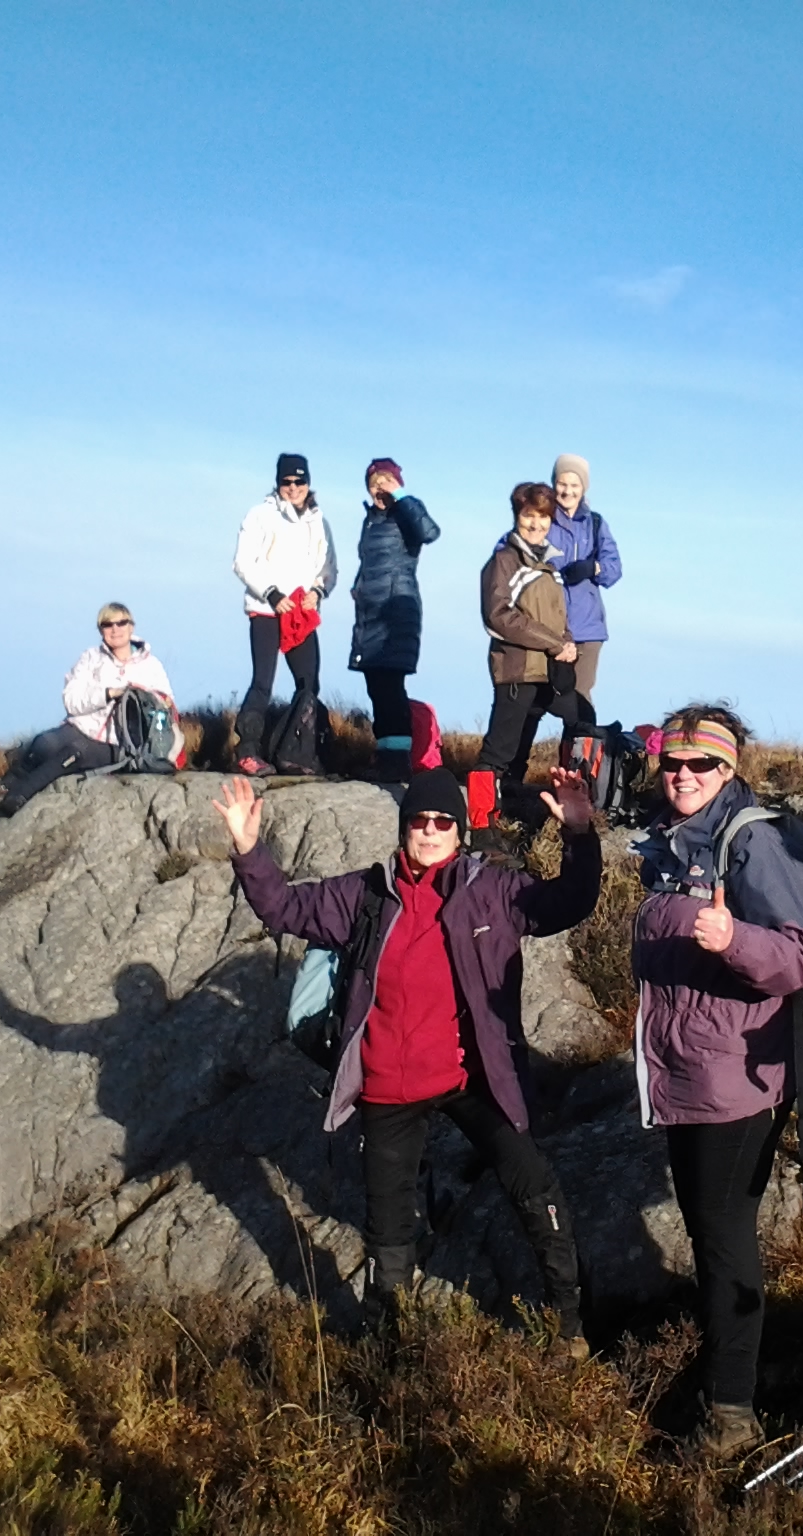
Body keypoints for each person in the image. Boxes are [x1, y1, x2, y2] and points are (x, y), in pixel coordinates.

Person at [215, 765, 603, 1355]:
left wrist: (579, 832)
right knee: (389, 1226)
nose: (429, 831)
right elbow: (285, 910)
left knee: (533, 1183)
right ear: (404, 828)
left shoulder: (492, 891)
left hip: (472, 1075)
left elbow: (569, 902)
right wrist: (248, 847)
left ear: (459, 832)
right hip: (389, 1086)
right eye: (419, 821)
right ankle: (389, 1346)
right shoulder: (365, 895)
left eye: (443, 822)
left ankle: (568, 1325)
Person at [630, 705, 803, 1458]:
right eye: (672, 762)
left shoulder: (753, 843)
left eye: (700, 765)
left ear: (729, 769)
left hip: (736, 1081)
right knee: (711, 1236)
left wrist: (735, 938)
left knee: (725, 1241)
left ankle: (731, 1416)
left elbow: (798, 958)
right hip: (686, 1073)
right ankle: (721, 1388)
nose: (682, 775)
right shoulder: (673, 845)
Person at [0, 603, 177, 818]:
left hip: (121, 744)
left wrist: (144, 697)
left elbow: (166, 703)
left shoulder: (151, 666)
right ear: (100, 630)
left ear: (131, 627)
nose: (115, 629)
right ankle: (11, 779)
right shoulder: (90, 659)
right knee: (44, 743)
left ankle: (15, 799)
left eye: (121, 623)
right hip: (81, 727)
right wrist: (107, 694)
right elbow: (71, 700)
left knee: (73, 753)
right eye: (107, 624)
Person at [475, 482, 593, 788]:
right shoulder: (504, 560)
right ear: (517, 515)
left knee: (582, 717)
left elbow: (556, 616)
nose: (536, 524)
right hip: (517, 671)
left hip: (548, 672)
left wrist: (567, 643)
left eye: (543, 517)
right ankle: (481, 818)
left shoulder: (549, 565)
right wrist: (555, 644)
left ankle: (573, 792)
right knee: (499, 751)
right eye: (530, 515)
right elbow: (497, 617)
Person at [232, 452, 338, 777]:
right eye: (286, 482)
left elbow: (329, 567)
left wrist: (318, 591)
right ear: (278, 483)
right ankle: (247, 751)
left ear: (308, 482)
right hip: (266, 610)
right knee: (263, 681)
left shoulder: (320, 521)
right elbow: (243, 561)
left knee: (308, 685)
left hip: (301, 614)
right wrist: (272, 593)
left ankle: (297, 752)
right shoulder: (260, 515)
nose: (293, 488)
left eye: (299, 481)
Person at [348, 457, 441, 782]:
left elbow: (430, 532)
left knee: (390, 687)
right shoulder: (371, 521)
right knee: (376, 687)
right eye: (374, 481)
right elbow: (371, 563)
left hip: (396, 614)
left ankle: (398, 760)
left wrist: (402, 498)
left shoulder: (406, 513)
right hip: (369, 615)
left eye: (386, 480)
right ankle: (385, 754)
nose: (379, 487)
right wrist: (357, 588)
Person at [546, 453, 622, 704]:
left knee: (579, 701)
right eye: (562, 484)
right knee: (537, 700)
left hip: (587, 629)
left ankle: (580, 744)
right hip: (547, 626)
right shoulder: (541, 519)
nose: (567, 491)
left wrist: (593, 568)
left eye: (574, 485)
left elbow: (614, 569)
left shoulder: (596, 524)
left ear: (583, 488)